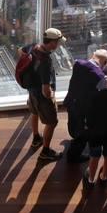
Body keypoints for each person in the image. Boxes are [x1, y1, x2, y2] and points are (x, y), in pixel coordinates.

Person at [20, 28, 65, 162]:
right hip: (41, 95)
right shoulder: (45, 61)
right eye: (57, 42)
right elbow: (46, 90)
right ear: (51, 43)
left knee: (34, 113)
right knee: (52, 122)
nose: (58, 45)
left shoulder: (33, 47)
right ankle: (45, 152)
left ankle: (36, 138)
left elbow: (20, 52)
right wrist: (52, 98)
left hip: (32, 91)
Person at [63, 49, 107, 163]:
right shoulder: (100, 75)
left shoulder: (78, 63)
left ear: (93, 55)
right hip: (83, 108)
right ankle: (73, 156)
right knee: (83, 133)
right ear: (105, 62)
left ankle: (74, 133)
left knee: (73, 122)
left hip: (71, 101)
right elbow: (104, 90)